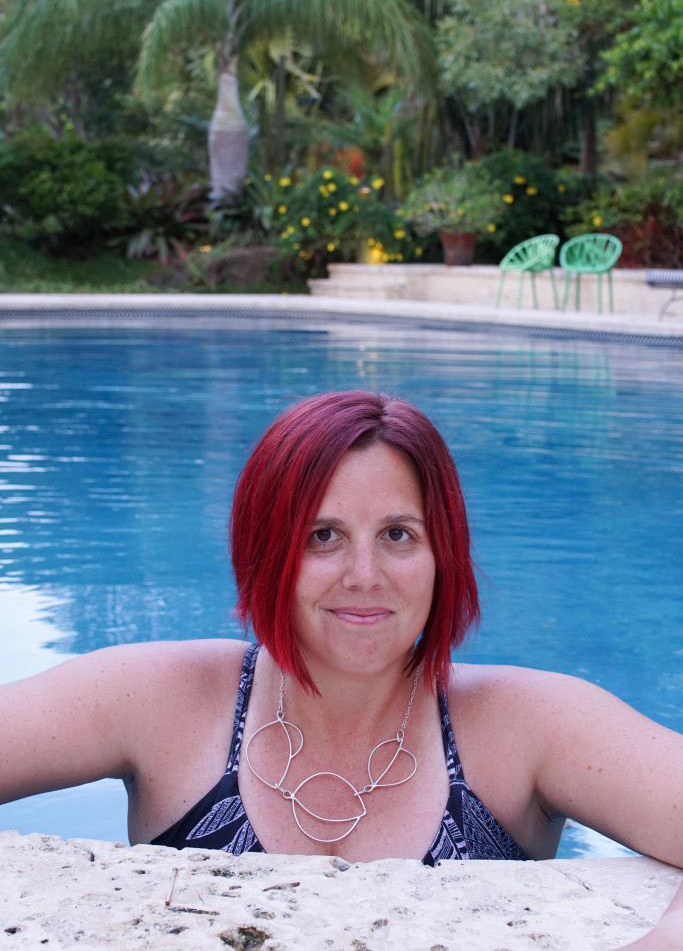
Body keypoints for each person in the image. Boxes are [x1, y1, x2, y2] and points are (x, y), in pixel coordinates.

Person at [1, 390, 682, 947]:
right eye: (322, 536)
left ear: (441, 553)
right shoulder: (153, 698)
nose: (365, 576)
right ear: (264, 551)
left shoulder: (533, 725)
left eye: (397, 535)